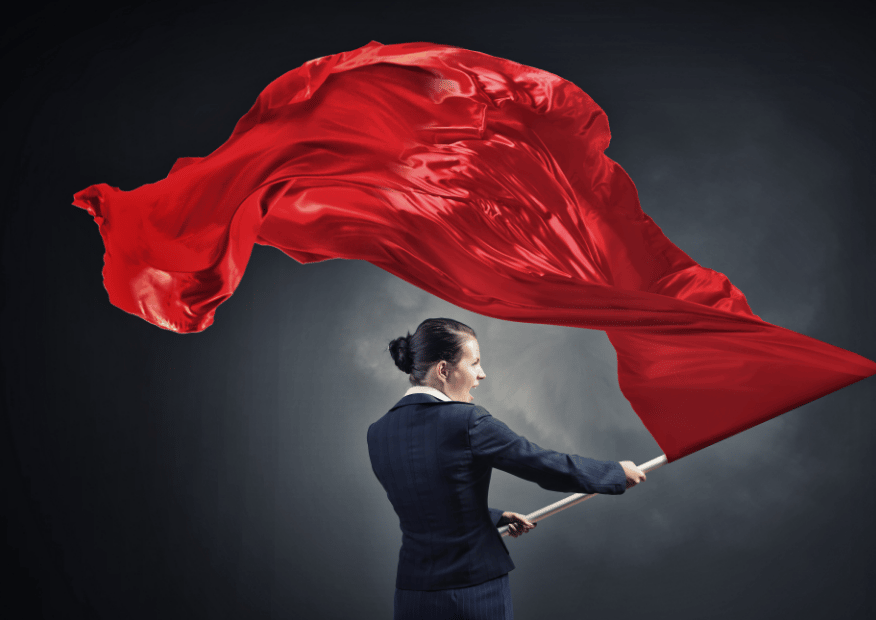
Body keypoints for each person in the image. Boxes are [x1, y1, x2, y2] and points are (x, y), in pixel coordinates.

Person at [367, 318, 646, 620]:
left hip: (413, 595)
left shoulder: (377, 432)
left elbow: (427, 501)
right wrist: (615, 472)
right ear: (444, 370)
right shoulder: (467, 421)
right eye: (474, 363)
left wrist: (493, 517)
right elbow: (541, 465)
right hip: (474, 593)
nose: (482, 374)